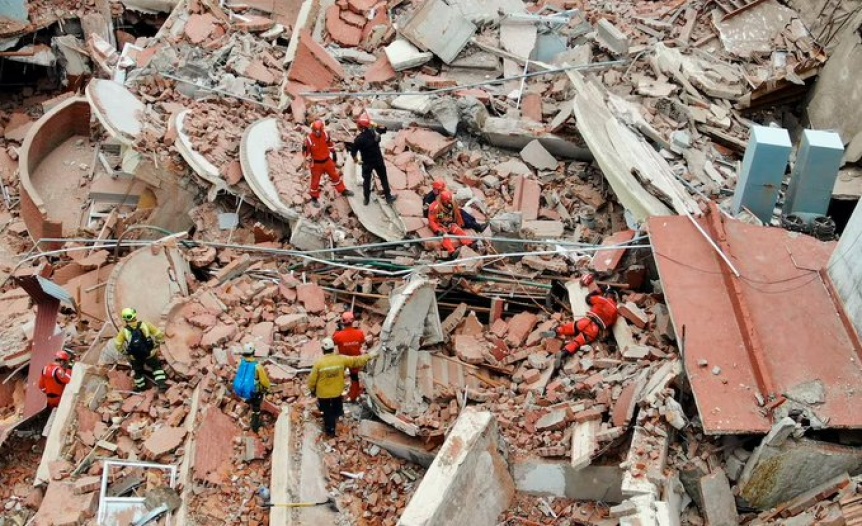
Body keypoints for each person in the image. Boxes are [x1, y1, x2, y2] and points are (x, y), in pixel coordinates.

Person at [308, 337, 377, 437]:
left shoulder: (319, 363)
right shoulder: (340, 359)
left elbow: (312, 380)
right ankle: (340, 428)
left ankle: (330, 432)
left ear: (323, 349)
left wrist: (312, 390)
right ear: (333, 349)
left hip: (323, 394)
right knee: (337, 411)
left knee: (327, 413)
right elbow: (356, 361)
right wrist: (370, 356)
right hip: (337, 392)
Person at [347, 115, 397, 206]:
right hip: (378, 161)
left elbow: (353, 152)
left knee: (367, 181)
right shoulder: (374, 132)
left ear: (360, 127)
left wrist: (356, 161)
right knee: (383, 179)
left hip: (367, 163)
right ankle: (388, 197)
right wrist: (376, 125)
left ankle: (366, 199)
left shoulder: (359, 139)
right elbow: (385, 129)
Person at [115, 307, 168, 392]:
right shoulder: (145, 324)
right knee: (156, 367)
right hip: (149, 353)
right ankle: (162, 385)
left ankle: (141, 388)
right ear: (135, 315)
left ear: (124, 319)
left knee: (138, 372)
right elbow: (159, 334)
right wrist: (158, 344)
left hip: (135, 357)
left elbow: (117, 344)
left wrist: (124, 352)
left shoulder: (123, 331)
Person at [302, 119, 354, 205]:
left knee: (335, 175)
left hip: (327, 161)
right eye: (315, 131)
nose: (317, 133)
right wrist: (305, 159)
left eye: (318, 131)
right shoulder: (309, 140)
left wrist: (333, 152)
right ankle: (314, 197)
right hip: (316, 164)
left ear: (322, 130)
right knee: (315, 181)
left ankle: (342, 190)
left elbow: (329, 144)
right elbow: (305, 153)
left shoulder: (325, 134)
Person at [556, 286, 619, 354]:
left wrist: (597, 291)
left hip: (585, 321)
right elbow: (610, 325)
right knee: (577, 342)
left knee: (569, 328)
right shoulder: (615, 311)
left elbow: (587, 299)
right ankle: (564, 353)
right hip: (594, 330)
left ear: (606, 295)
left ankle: (557, 331)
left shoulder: (602, 299)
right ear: (615, 298)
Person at [233, 343, 271, 433]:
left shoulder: (242, 363)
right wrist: (267, 388)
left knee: (250, 397)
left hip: (241, 391)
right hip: (253, 393)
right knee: (257, 406)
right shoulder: (257, 366)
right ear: (253, 352)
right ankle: (255, 425)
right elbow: (265, 382)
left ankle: (247, 403)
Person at [428, 190, 475, 257]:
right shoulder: (434, 207)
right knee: (445, 236)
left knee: (457, 229)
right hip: (439, 225)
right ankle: (451, 251)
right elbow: (431, 220)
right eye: (447, 201)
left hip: (448, 223)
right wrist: (437, 230)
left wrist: (451, 219)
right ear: (442, 200)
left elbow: (453, 212)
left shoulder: (449, 203)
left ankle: (469, 243)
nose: (449, 203)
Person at [332, 311, 367, 402]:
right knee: (355, 379)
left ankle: (341, 396)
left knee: (343, 379)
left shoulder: (338, 336)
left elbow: (333, 342)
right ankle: (354, 397)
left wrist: (338, 330)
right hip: (356, 361)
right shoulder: (360, 333)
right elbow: (362, 343)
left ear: (342, 322)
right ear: (353, 321)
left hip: (344, 362)